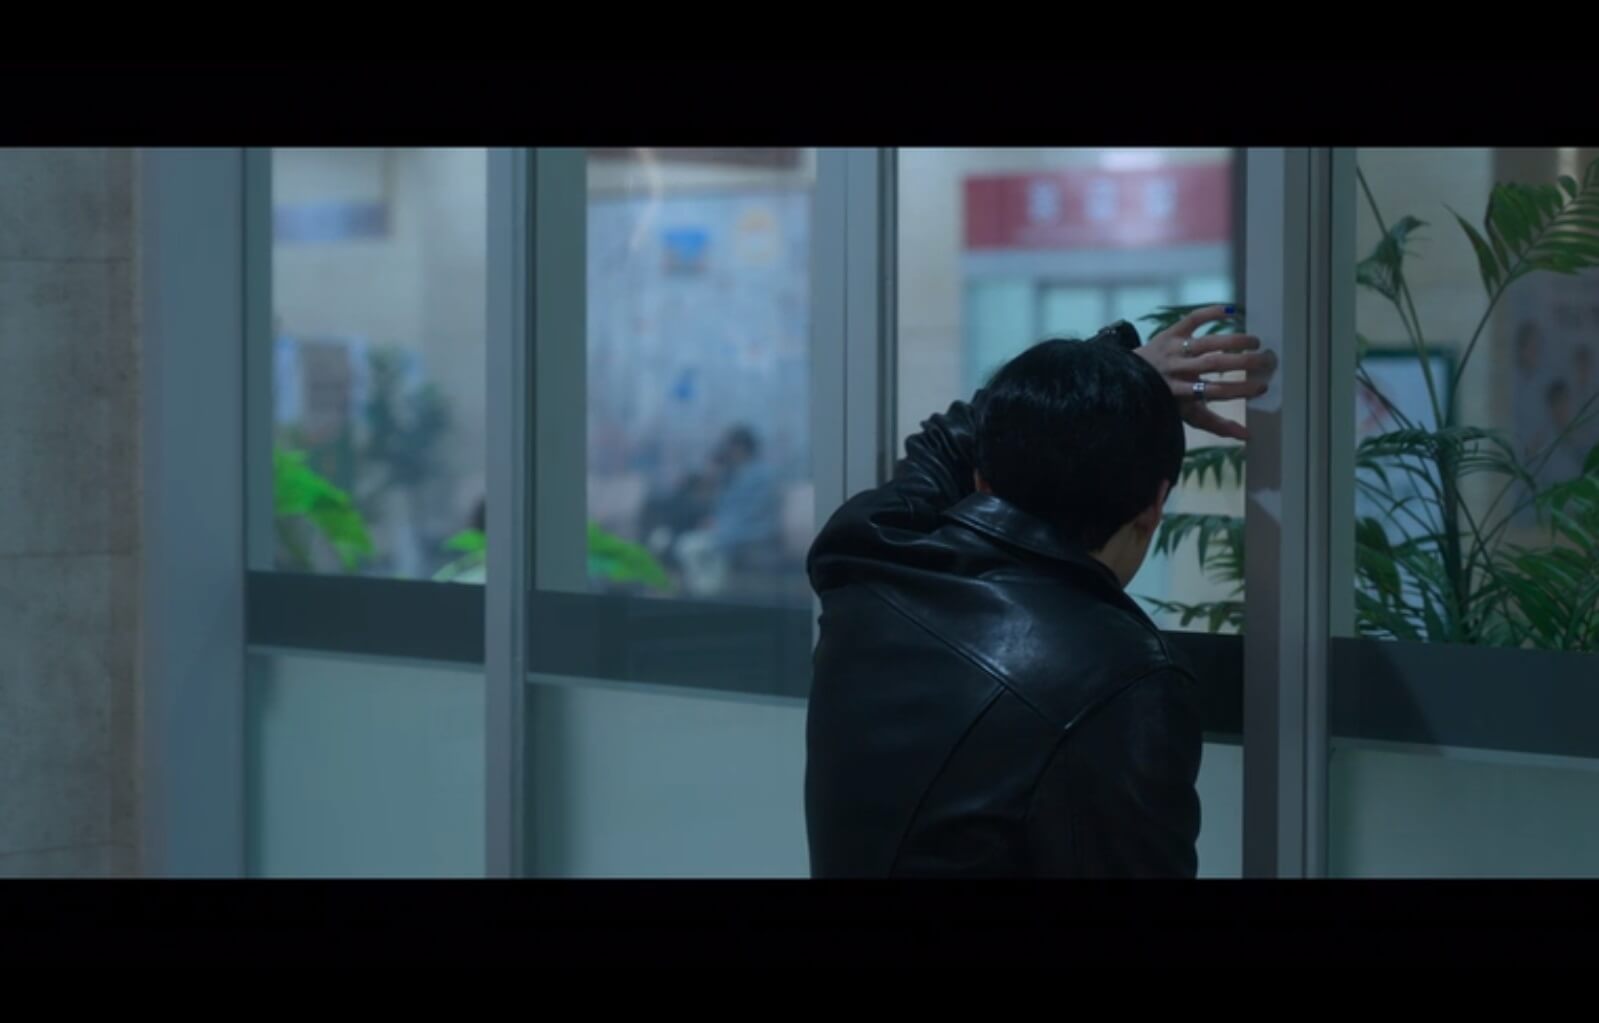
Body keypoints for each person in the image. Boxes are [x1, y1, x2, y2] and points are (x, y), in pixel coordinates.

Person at [804, 307, 1273, 878]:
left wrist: (1120, 372)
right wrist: (1119, 384)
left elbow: (945, 442)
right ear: (1155, 505)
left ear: (982, 481)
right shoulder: (1124, 678)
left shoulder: (871, 557)